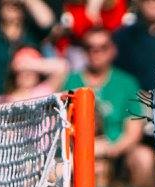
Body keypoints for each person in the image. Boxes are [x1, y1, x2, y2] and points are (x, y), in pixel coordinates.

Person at [61, 30, 145, 172]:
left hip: (118, 153)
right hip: (79, 151)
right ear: (83, 51)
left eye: (103, 47)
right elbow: (63, 127)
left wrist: (111, 150)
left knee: (144, 158)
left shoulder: (127, 83)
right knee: (58, 169)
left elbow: (134, 131)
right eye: (90, 47)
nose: (96, 52)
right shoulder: (70, 81)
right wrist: (87, 150)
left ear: (112, 49)